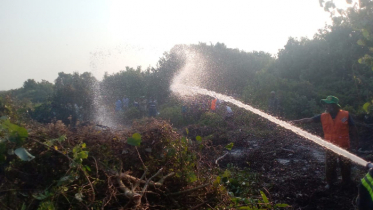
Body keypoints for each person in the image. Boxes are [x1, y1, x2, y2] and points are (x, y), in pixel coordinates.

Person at [292, 95, 359, 189]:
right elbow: (308, 120)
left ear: (334, 106)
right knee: (330, 165)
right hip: (330, 146)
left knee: (345, 165)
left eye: (328, 105)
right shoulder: (323, 116)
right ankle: (330, 183)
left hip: (344, 146)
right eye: (325, 105)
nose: (326, 106)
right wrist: (294, 122)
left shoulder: (345, 115)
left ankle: (346, 182)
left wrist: (356, 142)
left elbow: (353, 128)